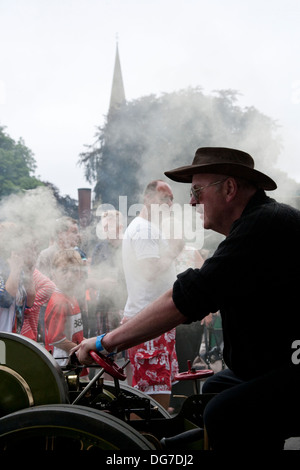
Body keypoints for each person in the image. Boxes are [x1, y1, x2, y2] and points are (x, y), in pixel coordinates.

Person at [73, 147, 300, 450]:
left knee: (224, 412)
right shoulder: (258, 223)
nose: (192, 201)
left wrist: (104, 343)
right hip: (278, 362)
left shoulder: (262, 225)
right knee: (215, 389)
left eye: (196, 191)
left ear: (230, 188)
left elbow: (188, 297)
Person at [120, 180, 184, 409]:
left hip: (155, 322)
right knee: (151, 403)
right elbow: (150, 271)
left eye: (171, 199)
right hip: (149, 323)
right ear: (147, 199)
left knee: (157, 395)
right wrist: (174, 250)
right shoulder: (143, 229)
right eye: (163, 198)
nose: (169, 203)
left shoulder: (150, 228)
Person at [44, 249, 88, 380]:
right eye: (64, 271)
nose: (70, 276)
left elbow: (74, 332)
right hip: (63, 366)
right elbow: (56, 339)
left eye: (74, 271)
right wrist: (80, 350)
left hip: (73, 362)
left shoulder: (71, 297)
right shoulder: (59, 302)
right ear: (53, 273)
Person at [0, 223, 36, 333]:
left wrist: (29, 271)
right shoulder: (4, 267)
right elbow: (5, 300)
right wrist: (15, 269)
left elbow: (29, 302)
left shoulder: (21, 268)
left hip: (13, 336)